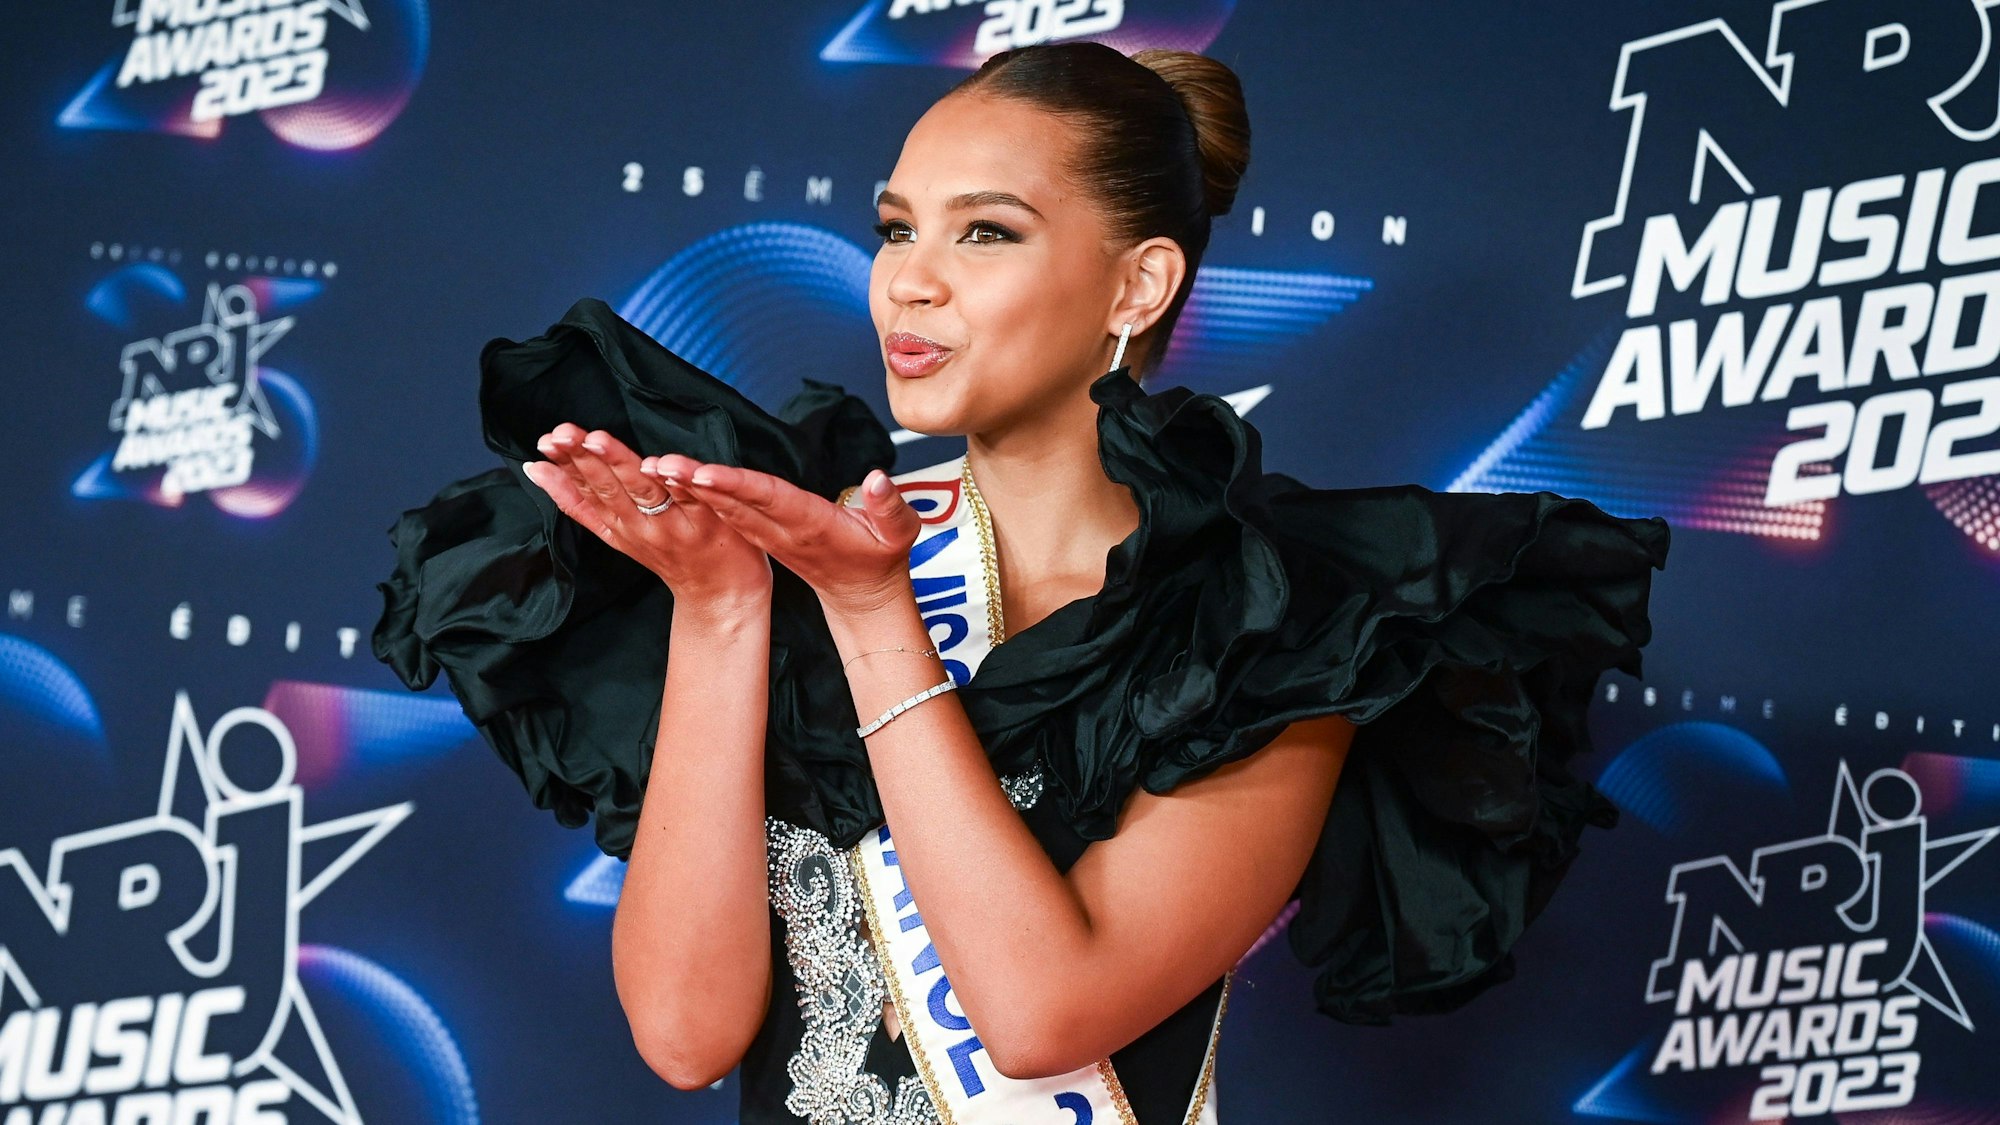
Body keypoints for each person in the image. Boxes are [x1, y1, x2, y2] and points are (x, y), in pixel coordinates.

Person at [373, 41, 1671, 1124]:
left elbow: (1044, 1012)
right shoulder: (806, 547)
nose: (910, 278)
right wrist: (725, 612)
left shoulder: (1277, 621)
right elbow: (684, 1029)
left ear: (1139, 280)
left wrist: (879, 617)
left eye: (985, 231)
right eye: (895, 227)